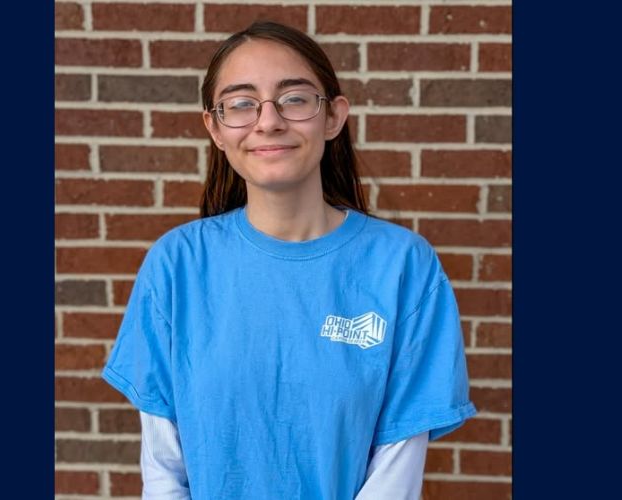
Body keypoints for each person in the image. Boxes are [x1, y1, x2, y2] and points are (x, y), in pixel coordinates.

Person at [102, 21, 477, 500]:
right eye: (241, 104)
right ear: (215, 128)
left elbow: (395, 477)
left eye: (294, 99)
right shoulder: (177, 265)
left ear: (333, 116)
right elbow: (164, 471)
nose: (268, 121)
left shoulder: (403, 267)